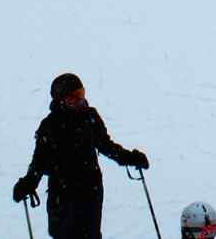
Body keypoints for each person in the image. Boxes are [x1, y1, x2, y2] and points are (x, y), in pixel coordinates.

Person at [13, 74, 150, 239]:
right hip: (62, 195)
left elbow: (106, 145)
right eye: (73, 98)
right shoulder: (50, 125)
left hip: (90, 190)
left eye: (81, 94)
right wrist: (29, 182)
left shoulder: (90, 117)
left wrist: (129, 158)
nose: (79, 101)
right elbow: (39, 162)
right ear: (61, 101)